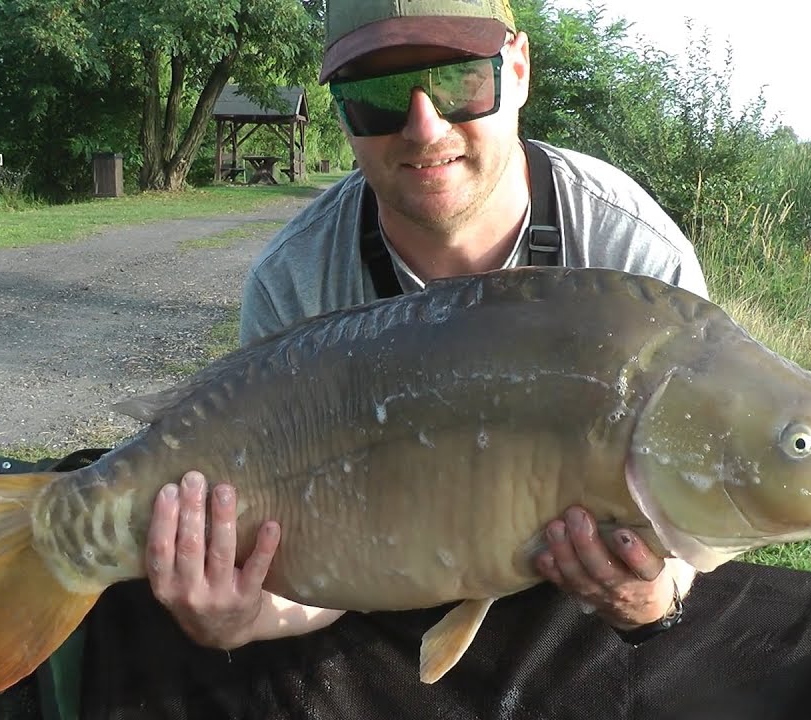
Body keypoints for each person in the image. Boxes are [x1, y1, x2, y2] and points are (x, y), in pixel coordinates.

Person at [143, 0, 706, 653]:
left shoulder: (636, 265)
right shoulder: (295, 281)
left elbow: (700, 510)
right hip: (382, 589)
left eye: (459, 80)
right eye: (379, 95)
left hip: (571, 611)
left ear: (517, 69)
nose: (423, 126)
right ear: (340, 110)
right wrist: (242, 617)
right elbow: (311, 566)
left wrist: (654, 599)